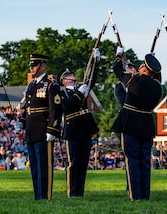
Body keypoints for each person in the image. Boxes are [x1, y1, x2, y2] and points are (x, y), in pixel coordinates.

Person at [112, 46, 163, 201]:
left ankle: (135, 194)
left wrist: (118, 54)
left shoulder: (133, 80)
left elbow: (117, 69)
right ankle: (145, 194)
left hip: (130, 122)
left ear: (143, 69)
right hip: (147, 124)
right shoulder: (158, 87)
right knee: (144, 161)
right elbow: (156, 79)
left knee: (132, 160)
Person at [57, 48, 100, 198]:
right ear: (64, 80)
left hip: (84, 129)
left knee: (83, 164)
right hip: (73, 130)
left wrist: (96, 62)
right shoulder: (61, 92)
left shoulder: (81, 88)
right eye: (69, 75)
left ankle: (79, 192)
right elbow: (69, 106)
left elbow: (91, 79)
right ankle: (72, 192)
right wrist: (80, 92)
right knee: (73, 163)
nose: (72, 75)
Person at [22, 53, 62, 200]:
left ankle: (45, 195)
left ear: (43, 66)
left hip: (44, 131)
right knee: (34, 165)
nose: (32, 68)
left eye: (35, 65)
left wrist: (52, 129)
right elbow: (27, 107)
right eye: (31, 65)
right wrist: (21, 121)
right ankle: (37, 195)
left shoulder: (51, 85)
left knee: (43, 165)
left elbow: (55, 109)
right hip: (31, 130)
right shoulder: (31, 85)